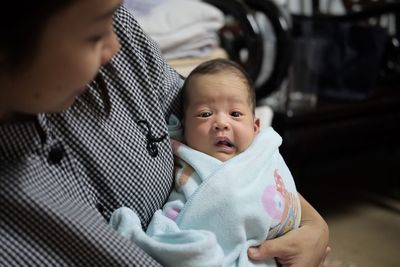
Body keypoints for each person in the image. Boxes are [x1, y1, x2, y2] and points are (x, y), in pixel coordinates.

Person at [0, 1, 329, 266]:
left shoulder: (124, 40)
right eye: (93, 35)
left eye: (114, 18)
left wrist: (314, 225)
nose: (115, 47)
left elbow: (248, 164)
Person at [111, 58, 302, 266]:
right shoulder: (188, 170)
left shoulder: (263, 153)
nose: (221, 123)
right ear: (185, 127)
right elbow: (168, 230)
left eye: (235, 114)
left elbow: (282, 194)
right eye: (205, 114)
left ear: (255, 126)